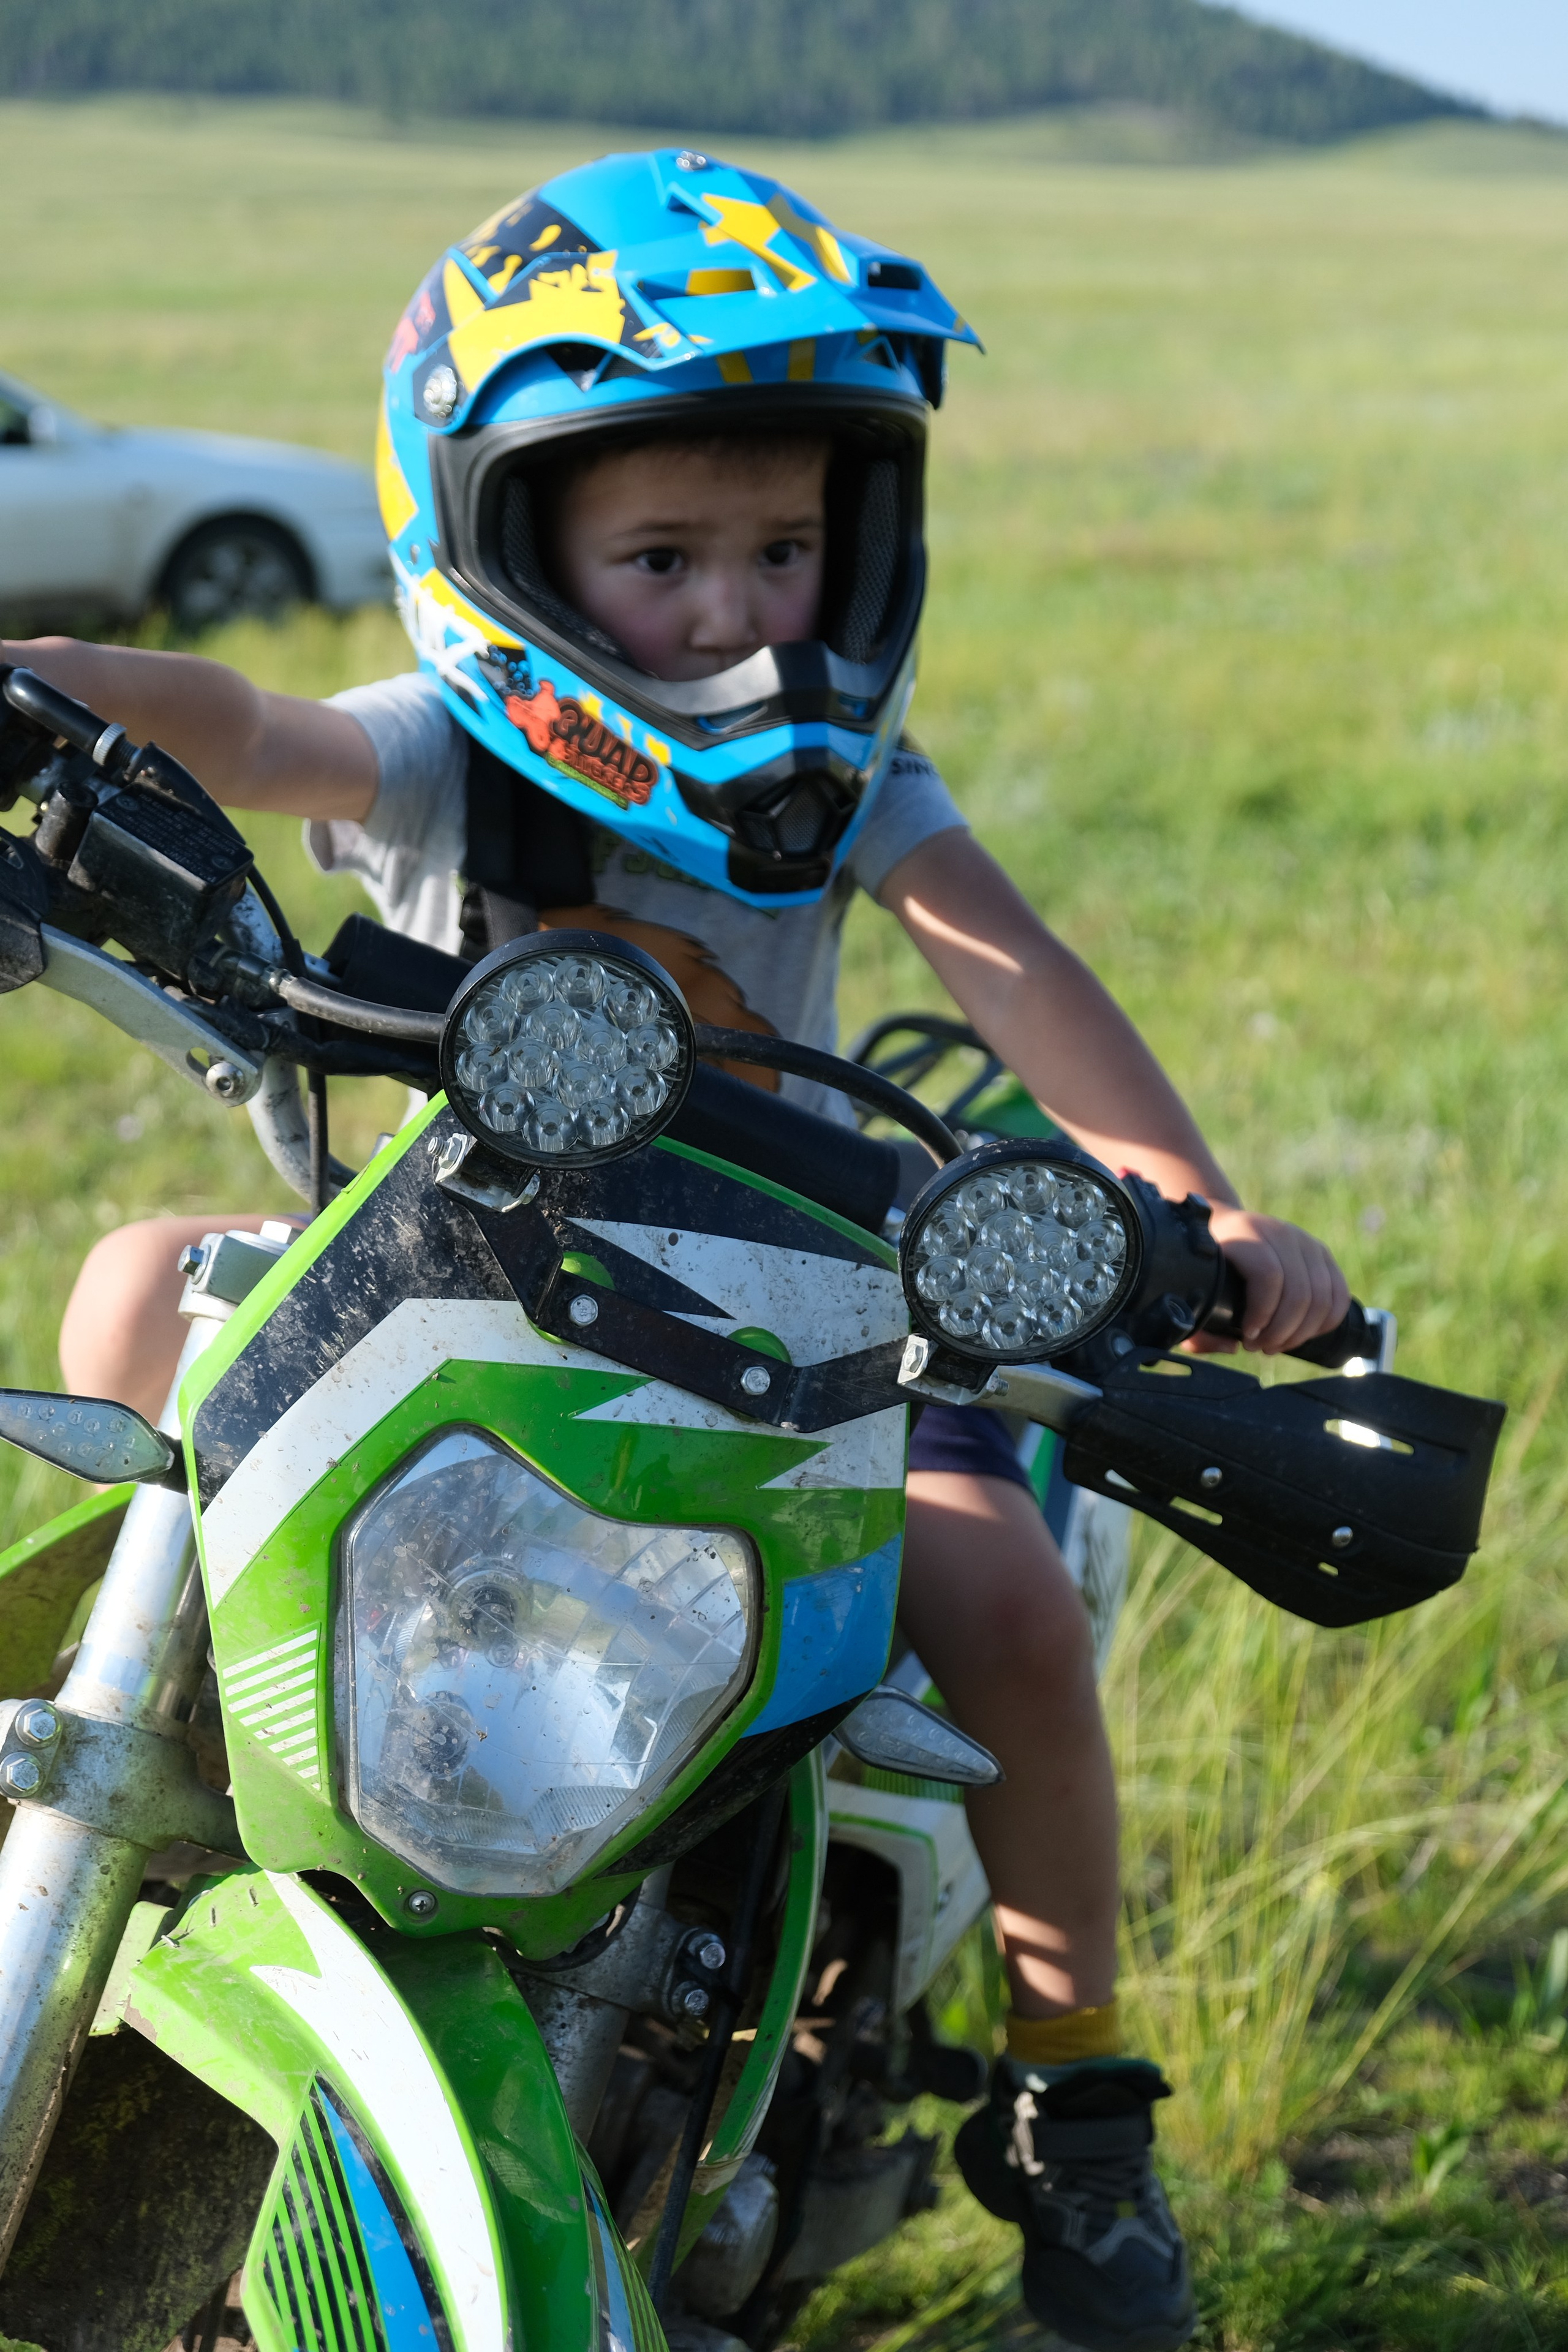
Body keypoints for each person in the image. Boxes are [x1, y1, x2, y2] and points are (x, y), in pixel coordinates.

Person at [6, 149, 1349, 2352]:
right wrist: (40, 690)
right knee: (148, 1278)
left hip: (792, 1316)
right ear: (508, 543)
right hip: (420, 1311)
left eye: (783, 547)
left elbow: (1016, 973)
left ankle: (1075, 2100)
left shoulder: (865, 787)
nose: (735, 610)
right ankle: (141, 1827)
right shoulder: (446, 755)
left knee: (999, 1581)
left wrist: (1186, 1203)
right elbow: (249, 733)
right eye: (661, 556)